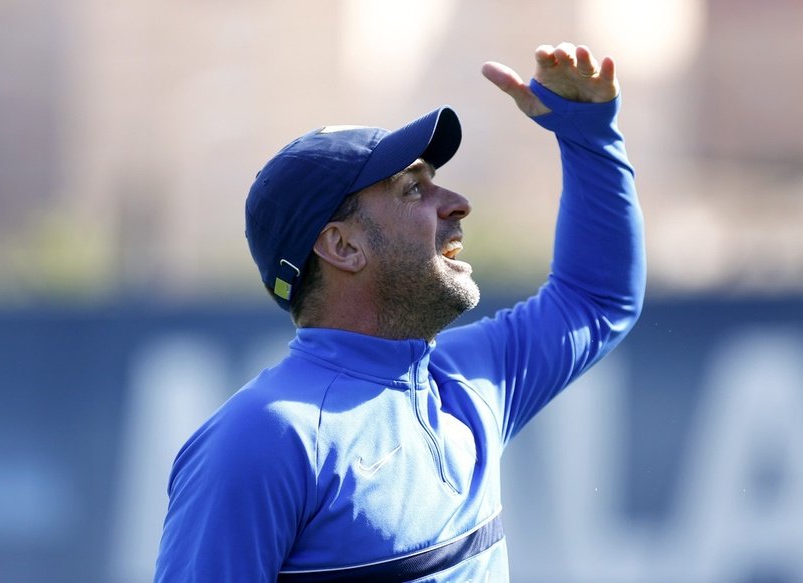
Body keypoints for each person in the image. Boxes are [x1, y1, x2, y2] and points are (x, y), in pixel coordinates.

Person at [155, 42, 645, 582]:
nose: (457, 203)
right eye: (414, 189)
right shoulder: (263, 439)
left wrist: (590, 137)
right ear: (342, 247)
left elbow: (595, 301)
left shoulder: (467, 381)